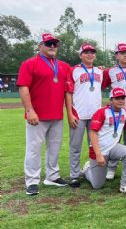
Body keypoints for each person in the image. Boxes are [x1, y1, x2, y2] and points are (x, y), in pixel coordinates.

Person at [17, 33, 71, 196]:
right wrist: (29, 110)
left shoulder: (63, 66)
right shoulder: (29, 63)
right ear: (40, 46)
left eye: (55, 43)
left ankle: (52, 176)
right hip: (37, 115)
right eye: (49, 43)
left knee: (54, 147)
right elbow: (23, 87)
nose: (52, 46)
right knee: (34, 148)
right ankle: (32, 181)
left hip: (56, 115)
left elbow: (79, 72)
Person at [82, 87, 126, 195]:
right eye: (117, 98)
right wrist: (98, 154)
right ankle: (88, 169)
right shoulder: (102, 112)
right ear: (111, 100)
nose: (121, 100)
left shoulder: (124, 113)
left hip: (112, 148)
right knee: (97, 185)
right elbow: (92, 133)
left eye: (122, 98)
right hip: (99, 150)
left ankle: (125, 185)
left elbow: (124, 128)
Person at [65, 43, 103, 188]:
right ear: (81, 55)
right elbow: (68, 92)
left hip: (95, 115)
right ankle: (74, 175)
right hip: (78, 114)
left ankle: (94, 172)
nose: (90, 54)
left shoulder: (100, 72)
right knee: (75, 146)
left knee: (94, 146)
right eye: (86, 52)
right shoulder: (74, 70)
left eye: (92, 52)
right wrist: (69, 113)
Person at [102, 42, 126, 179]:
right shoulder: (109, 71)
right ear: (116, 55)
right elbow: (103, 84)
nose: (125, 55)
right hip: (116, 110)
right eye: (122, 53)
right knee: (114, 139)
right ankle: (111, 167)